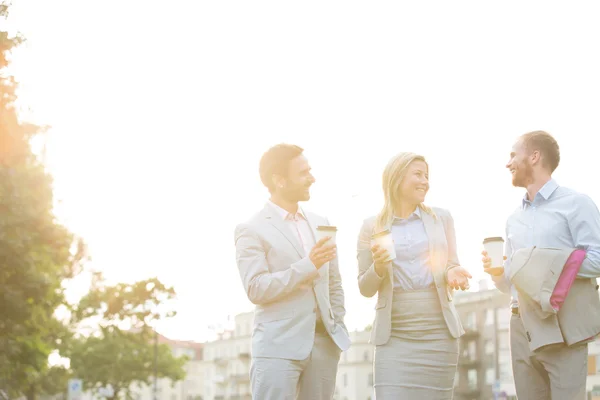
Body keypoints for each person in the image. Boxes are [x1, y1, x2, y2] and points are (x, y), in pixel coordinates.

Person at [483, 130, 600, 399]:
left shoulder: (576, 204)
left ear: (534, 157)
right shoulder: (513, 220)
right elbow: (514, 284)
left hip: (562, 325)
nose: (508, 162)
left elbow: (598, 258)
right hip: (520, 327)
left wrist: (545, 266)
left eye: (514, 155)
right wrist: (499, 273)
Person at [234, 144, 350, 400]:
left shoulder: (322, 223)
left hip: (323, 349)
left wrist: (336, 326)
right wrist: (307, 266)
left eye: (310, 170)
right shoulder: (251, 229)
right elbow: (256, 288)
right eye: (303, 172)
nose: (312, 177)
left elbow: (334, 283)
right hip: (277, 350)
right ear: (279, 180)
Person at [357, 152, 471, 399]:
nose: (425, 181)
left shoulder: (441, 218)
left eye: (427, 176)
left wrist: (454, 271)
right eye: (418, 174)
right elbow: (364, 289)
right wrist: (377, 266)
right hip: (394, 334)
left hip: (438, 331)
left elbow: (450, 263)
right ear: (397, 178)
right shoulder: (370, 226)